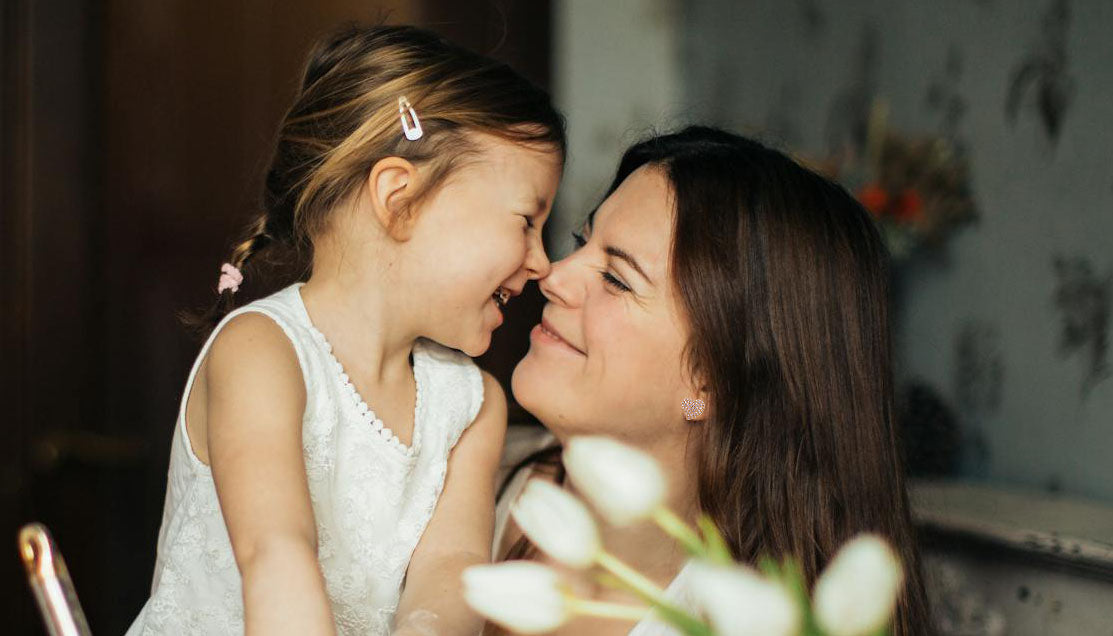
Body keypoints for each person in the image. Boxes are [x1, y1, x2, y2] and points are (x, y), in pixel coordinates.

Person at [127, 24, 564, 636]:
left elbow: (449, 574)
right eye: (526, 222)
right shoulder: (261, 353)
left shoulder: (470, 407)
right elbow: (277, 556)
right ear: (400, 198)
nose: (543, 263)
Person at [495, 127, 932, 635]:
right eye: (580, 241)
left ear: (711, 381)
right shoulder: (465, 467)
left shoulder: (744, 622)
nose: (553, 275)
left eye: (617, 278)